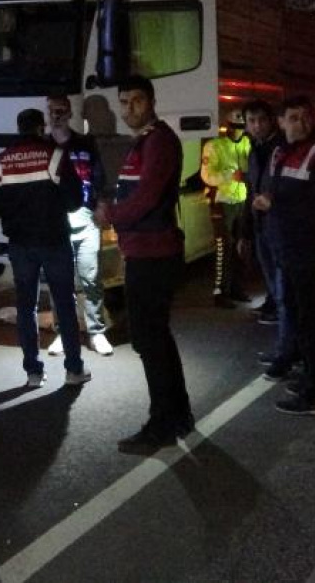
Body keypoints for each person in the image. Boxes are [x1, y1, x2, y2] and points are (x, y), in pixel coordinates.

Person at [95, 76, 193, 453]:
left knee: (149, 342)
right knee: (157, 339)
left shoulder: (159, 141)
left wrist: (111, 215)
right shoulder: (147, 140)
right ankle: (178, 416)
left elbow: (147, 197)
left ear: (151, 101)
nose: (129, 108)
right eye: (123, 101)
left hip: (153, 255)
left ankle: (161, 425)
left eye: (136, 100)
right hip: (146, 252)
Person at [0, 108, 91, 388]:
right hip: (55, 242)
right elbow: (75, 201)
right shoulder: (55, 156)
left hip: (21, 247)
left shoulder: (1, 163)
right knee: (64, 304)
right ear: (41, 128)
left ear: (19, 129)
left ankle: (33, 373)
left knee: (26, 307)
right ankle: (74, 370)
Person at [254, 96, 315, 416]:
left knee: (310, 322)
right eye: (293, 118)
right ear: (281, 122)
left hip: (310, 252)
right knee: (295, 316)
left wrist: (274, 204)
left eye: (306, 117)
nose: (301, 123)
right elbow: (277, 191)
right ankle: (308, 378)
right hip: (286, 250)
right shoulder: (282, 152)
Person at [44, 94, 114, 357]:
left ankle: (96, 332)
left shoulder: (86, 143)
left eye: (61, 110)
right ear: (47, 114)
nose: (57, 115)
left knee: (90, 277)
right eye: (52, 111)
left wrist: (101, 204)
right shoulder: (42, 146)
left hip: (85, 217)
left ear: (70, 113)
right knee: (59, 281)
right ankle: (64, 332)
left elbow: (99, 177)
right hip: (54, 222)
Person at [236, 100, 286, 326]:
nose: (257, 125)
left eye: (262, 120)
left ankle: (282, 312)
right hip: (260, 222)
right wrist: (245, 231)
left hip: (279, 222)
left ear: (272, 120)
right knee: (268, 268)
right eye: (252, 121)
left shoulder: (282, 147)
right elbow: (251, 190)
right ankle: (275, 303)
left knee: (279, 271)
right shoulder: (255, 148)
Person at [201, 111, 251, 307]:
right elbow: (207, 175)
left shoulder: (247, 143)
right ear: (227, 126)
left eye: (241, 127)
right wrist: (230, 176)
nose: (238, 131)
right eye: (235, 127)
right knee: (224, 247)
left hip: (242, 201)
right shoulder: (214, 146)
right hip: (222, 202)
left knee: (242, 246)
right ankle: (220, 292)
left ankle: (237, 288)